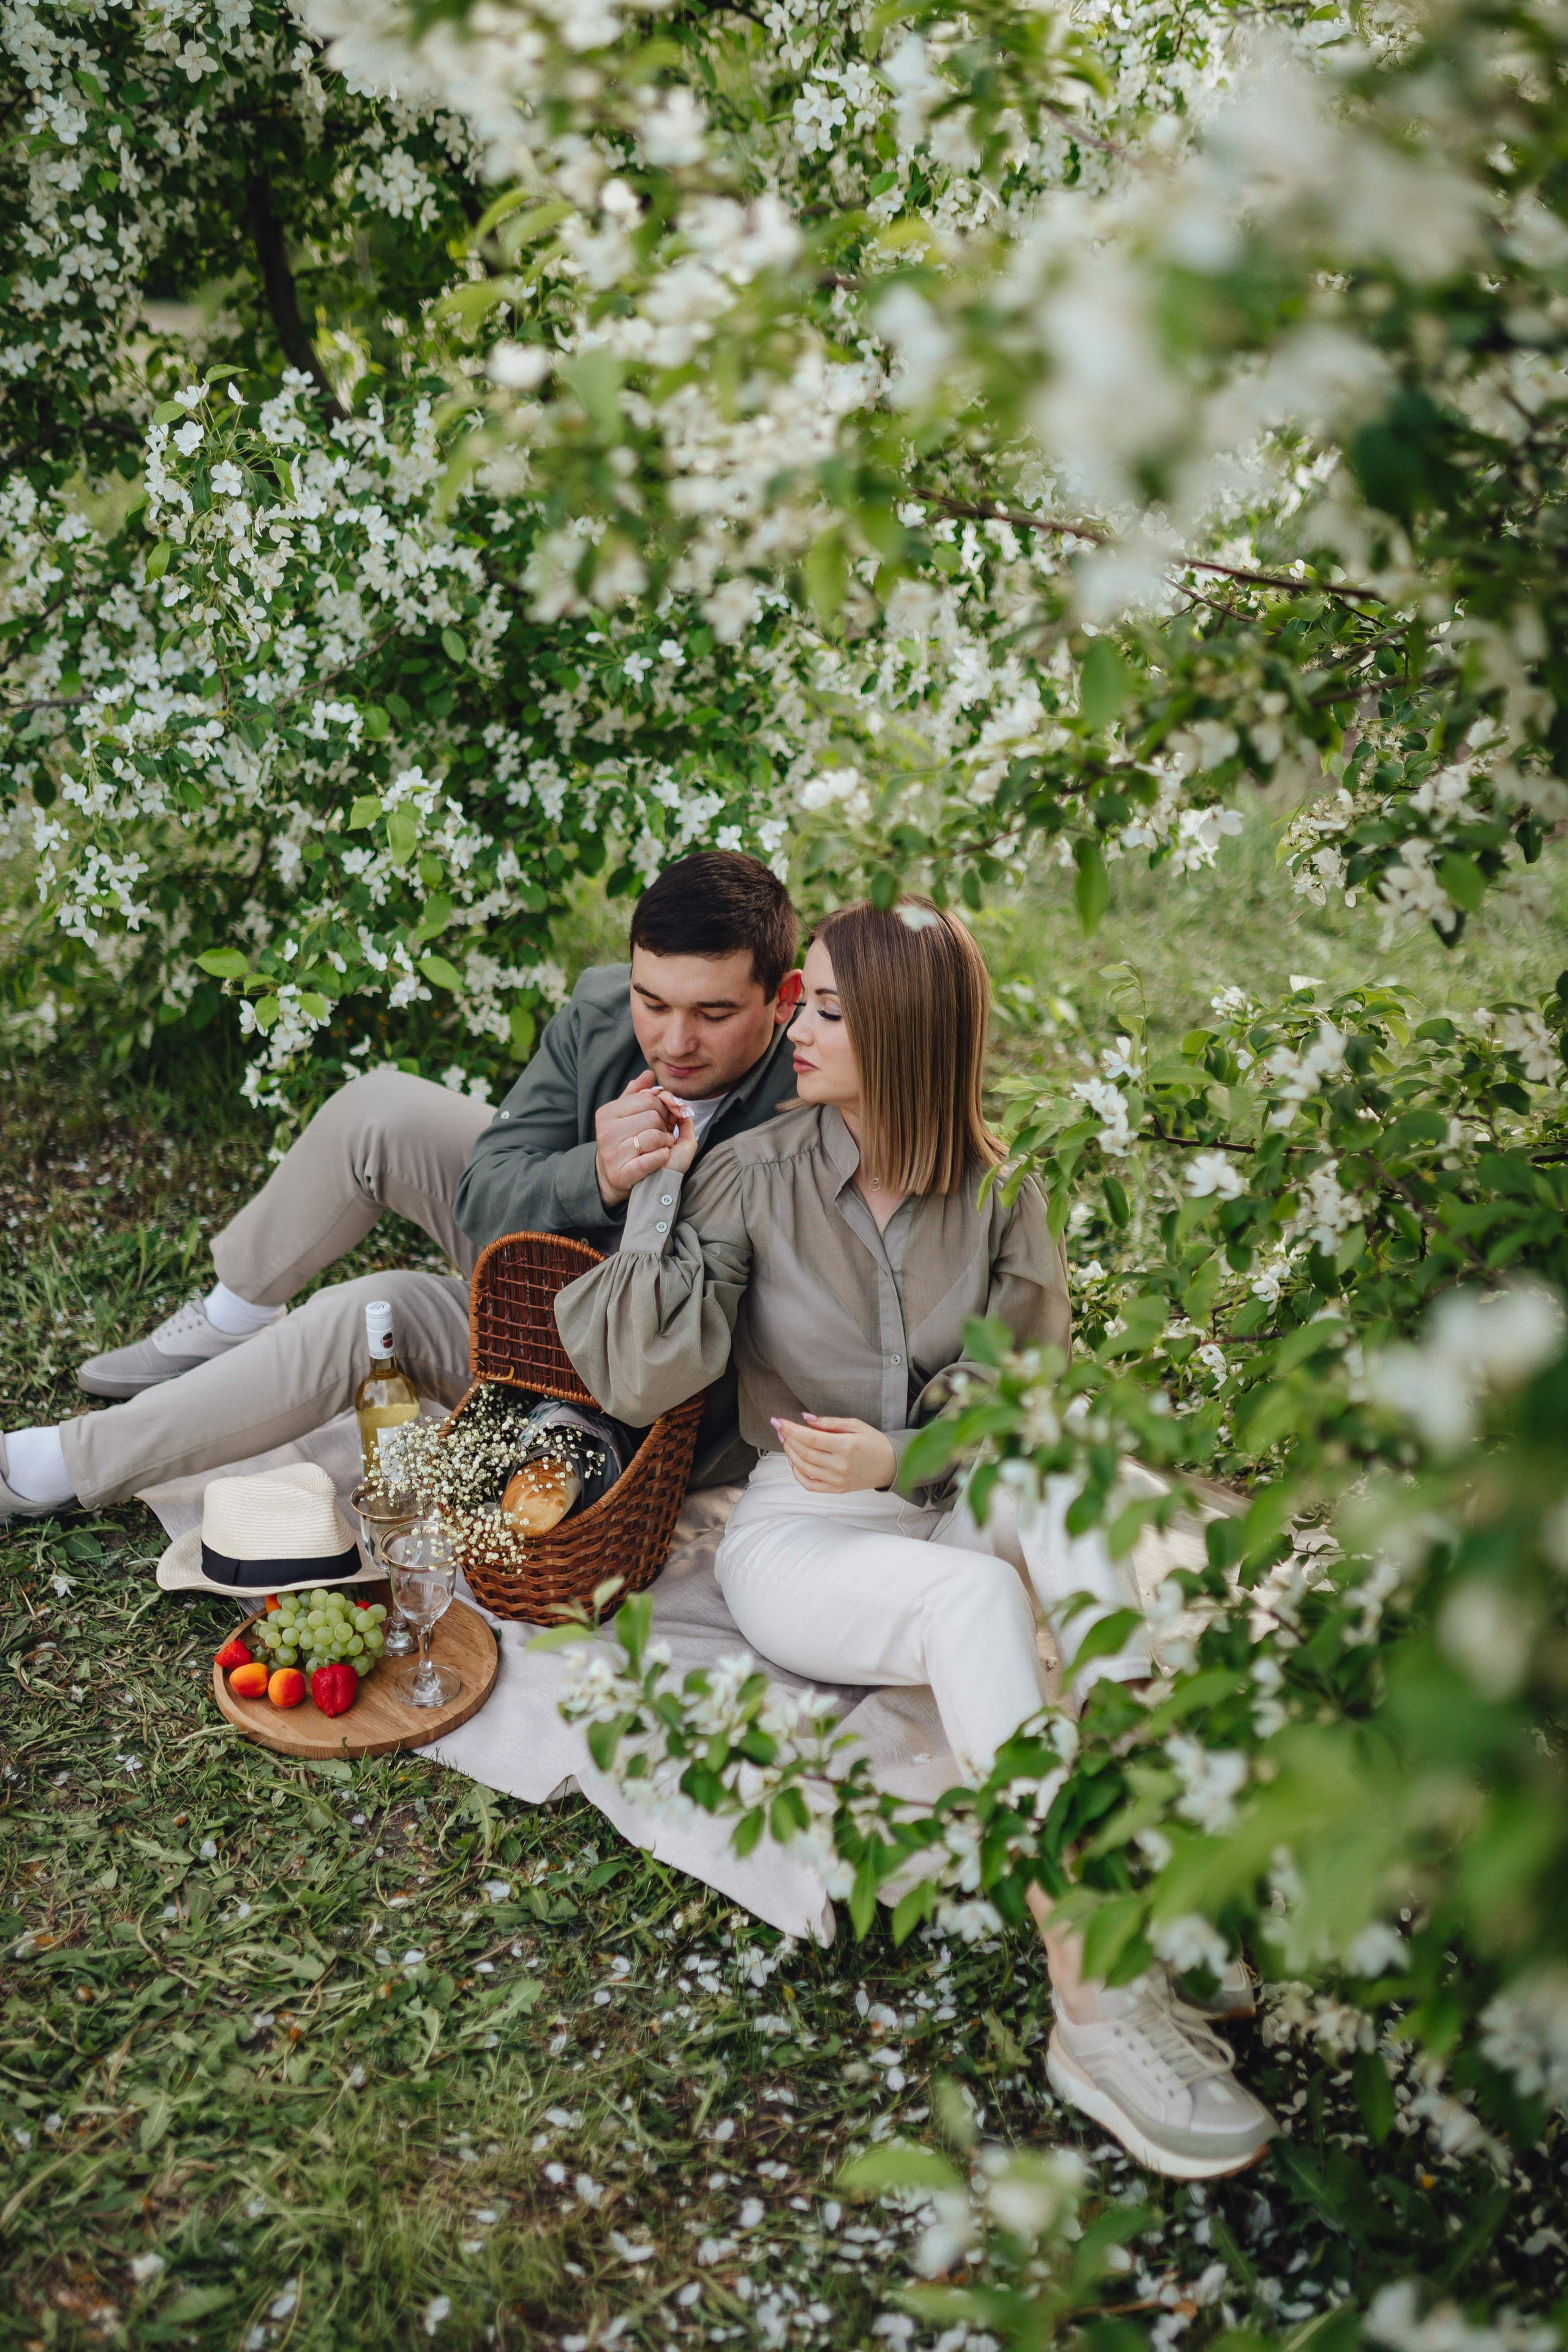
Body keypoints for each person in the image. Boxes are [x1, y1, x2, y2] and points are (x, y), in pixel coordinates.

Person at [555, 895, 1277, 2181]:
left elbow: (1027, 1400)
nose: (793, 1023)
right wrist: (658, 1194)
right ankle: (1093, 1995)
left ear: (902, 1028)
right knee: (977, 1612)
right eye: (797, 1000)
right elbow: (635, 1368)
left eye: (823, 1007)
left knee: (1061, 1480)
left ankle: (1149, 1862)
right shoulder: (750, 1171)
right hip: (801, 1535)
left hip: (947, 1494)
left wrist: (912, 1455)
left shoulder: (1001, 1196)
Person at [0, 852, 802, 1521]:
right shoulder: (601, 1013)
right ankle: (234, 1315)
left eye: (713, 1013)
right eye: (652, 1000)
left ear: (783, 998)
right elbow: (485, 1193)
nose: (672, 1040)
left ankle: (62, 1466)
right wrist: (591, 1174)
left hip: (631, 1365)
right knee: (381, 1109)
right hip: (545, 1262)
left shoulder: (816, 1097)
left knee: (371, 1311)